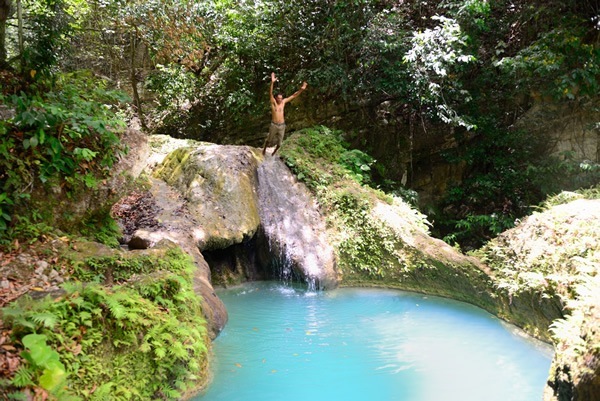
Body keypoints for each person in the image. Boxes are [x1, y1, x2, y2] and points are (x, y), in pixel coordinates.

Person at [262, 72, 308, 156]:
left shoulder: (283, 102)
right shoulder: (273, 103)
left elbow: (294, 95)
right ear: (276, 98)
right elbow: (270, 93)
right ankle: (264, 150)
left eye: (281, 98)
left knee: (279, 144)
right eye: (278, 98)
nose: (280, 99)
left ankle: (273, 153)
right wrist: (272, 82)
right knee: (269, 140)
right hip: (274, 125)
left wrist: (301, 89)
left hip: (282, 125)